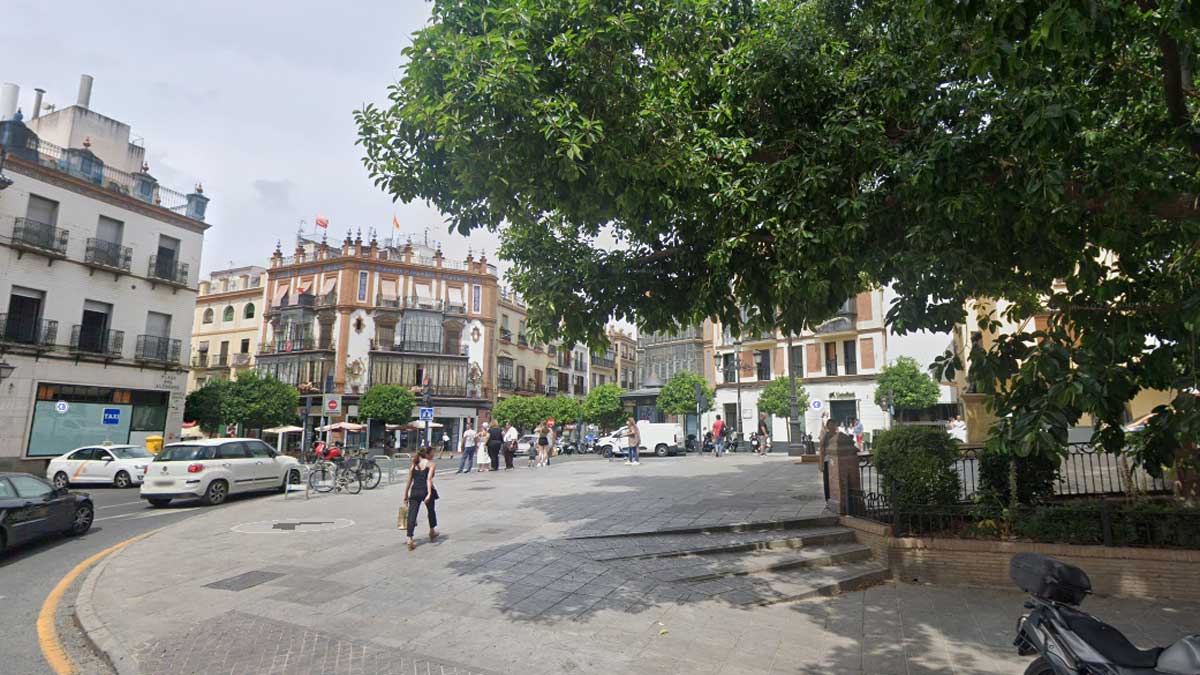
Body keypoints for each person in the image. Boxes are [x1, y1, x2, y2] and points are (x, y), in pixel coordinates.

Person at [402, 446, 438, 551]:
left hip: (414, 491)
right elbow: (429, 479)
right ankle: (432, 531)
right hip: (425, 490)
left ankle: (409, 538)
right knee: (431, 510)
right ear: (427, 454)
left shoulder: (414, 465)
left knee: (412, 514)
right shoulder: (431, 464)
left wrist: (405, 494)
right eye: (432, 453)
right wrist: (429, 493)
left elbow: (409, 480)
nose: (433, 455)